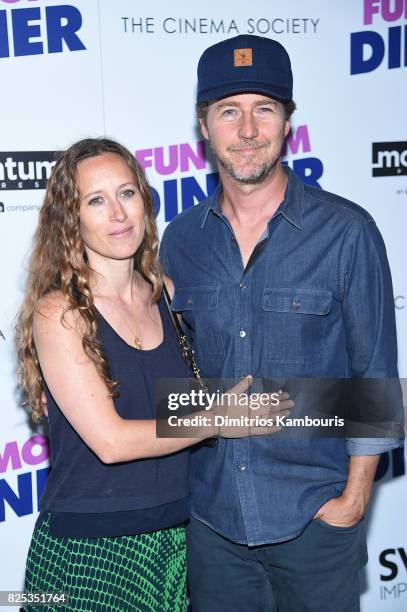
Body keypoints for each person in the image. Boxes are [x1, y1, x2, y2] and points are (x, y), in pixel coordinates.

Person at [159, 35, 403, 612]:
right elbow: (174, 372)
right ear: (204, 126)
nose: (247, 129)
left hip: (314, 521)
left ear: (288, 122)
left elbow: (375, 372)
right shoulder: (180, 241)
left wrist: (352, 501)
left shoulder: (347, 233)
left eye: (263, 108)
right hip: (212, 523)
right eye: (228, 111)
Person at [16, 137, 290, 612]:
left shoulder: (165, 294)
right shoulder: (61, 312)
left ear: (145, 199)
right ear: (71, 218)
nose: (118, 213)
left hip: (174, 539)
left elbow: (176, 401)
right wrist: (219, 419)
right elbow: (112, 441)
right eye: (95, 201)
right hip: (91, 548)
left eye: (127, 193)